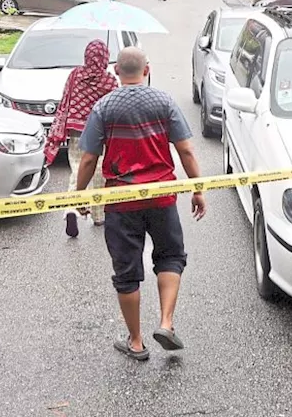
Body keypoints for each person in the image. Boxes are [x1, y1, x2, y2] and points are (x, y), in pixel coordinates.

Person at [75, 47, 206, 361]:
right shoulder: (164, 102)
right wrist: (198, 189)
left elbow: (89, 157)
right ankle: (166, 322)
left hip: (121, 202)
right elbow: (186, 151)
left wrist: (80, 194)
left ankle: (136, 342)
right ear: (146, 70)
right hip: (162, 198)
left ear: (117, 72)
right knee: (171, 256)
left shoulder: (103, 107)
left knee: (127, 272)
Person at [47, 40, 118, 236]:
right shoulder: (109, 80)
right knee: (97, 172)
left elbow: (66, 100)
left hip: (77, 130)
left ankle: (71, 208)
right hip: (100, 133)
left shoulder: (75, 74)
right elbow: (113, 108)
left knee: (78, 168)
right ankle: (98, 216)